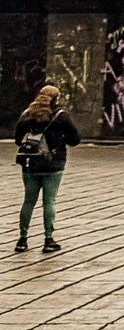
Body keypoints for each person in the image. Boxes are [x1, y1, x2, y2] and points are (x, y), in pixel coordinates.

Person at [14, 83, 81, 255]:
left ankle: (22, 240)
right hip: (53, 164)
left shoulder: (27, 114)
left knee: (28, 200)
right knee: (49, 201)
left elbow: (17, 139)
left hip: (30, 163)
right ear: (56, 99)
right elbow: (75, 140)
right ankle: (48, 239)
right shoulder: (61, 116)